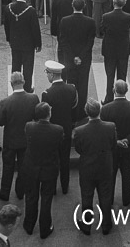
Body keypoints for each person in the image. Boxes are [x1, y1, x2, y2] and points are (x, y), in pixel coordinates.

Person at [73, 99, 116, 235]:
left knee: (87, 196)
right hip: (105, 166)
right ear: (100, 111)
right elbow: (113, 145)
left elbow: (79, 149)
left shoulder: (79, 131)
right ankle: (106, 224)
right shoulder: (110, 127)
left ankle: (86, 226)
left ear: (87, 112)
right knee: (105, 196)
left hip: (87, 167)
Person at [0, 71, 38, 201]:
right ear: (23, 82)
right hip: (26, 139)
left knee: (8, 166)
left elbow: (0, 122)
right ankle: (20, 191)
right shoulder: (33, 98)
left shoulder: (5, 102)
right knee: (23, 167)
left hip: (10, 140)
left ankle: (5, 191)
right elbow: (36, 117)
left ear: (11, 84)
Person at [22, 102, 62, 239]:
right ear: (49, 114)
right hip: (49, 168)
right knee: (46, 199)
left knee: (31, 197)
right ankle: (45, 228)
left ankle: (29, 225)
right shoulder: (58, 130)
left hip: (32, 167)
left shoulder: (29, 127)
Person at [100, 79, 130, 207]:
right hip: (128, 147)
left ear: (114, 91)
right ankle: (127, 197)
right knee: (127, 173)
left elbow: (103, 130)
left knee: (110, 175)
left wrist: (116, 141)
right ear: (127, 91)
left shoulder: (106, 109)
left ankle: (109, 199)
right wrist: (128, 140)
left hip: (112, 148)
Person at [41, 60, 77, 194]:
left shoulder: (47, 93)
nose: (47, 76)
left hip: (52, 130)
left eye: (47, 73)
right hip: (66, 129)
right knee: (65, 158)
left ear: (52, 74)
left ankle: (53, 188)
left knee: (53, 159)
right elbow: (74, 109)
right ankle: (65, 186)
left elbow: (45, 115)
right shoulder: (72, 89)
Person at [58, 0, 96, 117]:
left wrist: (73, 56)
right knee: (83, 84)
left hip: (69, 58)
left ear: (72, 6)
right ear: (84, 7)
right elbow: (90, 43)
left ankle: (72, 110)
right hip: (84, 59)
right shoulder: (90, 22)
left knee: (71, 83)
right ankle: (82, 111)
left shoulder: (65, 20)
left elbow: (63, 41)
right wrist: (80, 56)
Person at [3, 0, 41, 93]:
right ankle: (27, 89)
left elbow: (6, 26)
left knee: (15, 65)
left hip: (14, 42)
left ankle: (15, 87)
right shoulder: (30, 10)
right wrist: (38, 43)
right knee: (28, 69)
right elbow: (35, 29)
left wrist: (9, 39)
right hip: (28, 44)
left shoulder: (8, 8)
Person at [101, 0, 130, 103]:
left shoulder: (106, 16)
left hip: (109, 48)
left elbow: (102, 30)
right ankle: (122, 96)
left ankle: (108, 98)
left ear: (113, 3)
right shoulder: (128, 17)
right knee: (122, 75)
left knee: (110, 75)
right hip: (123, 49)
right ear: (124, 4)